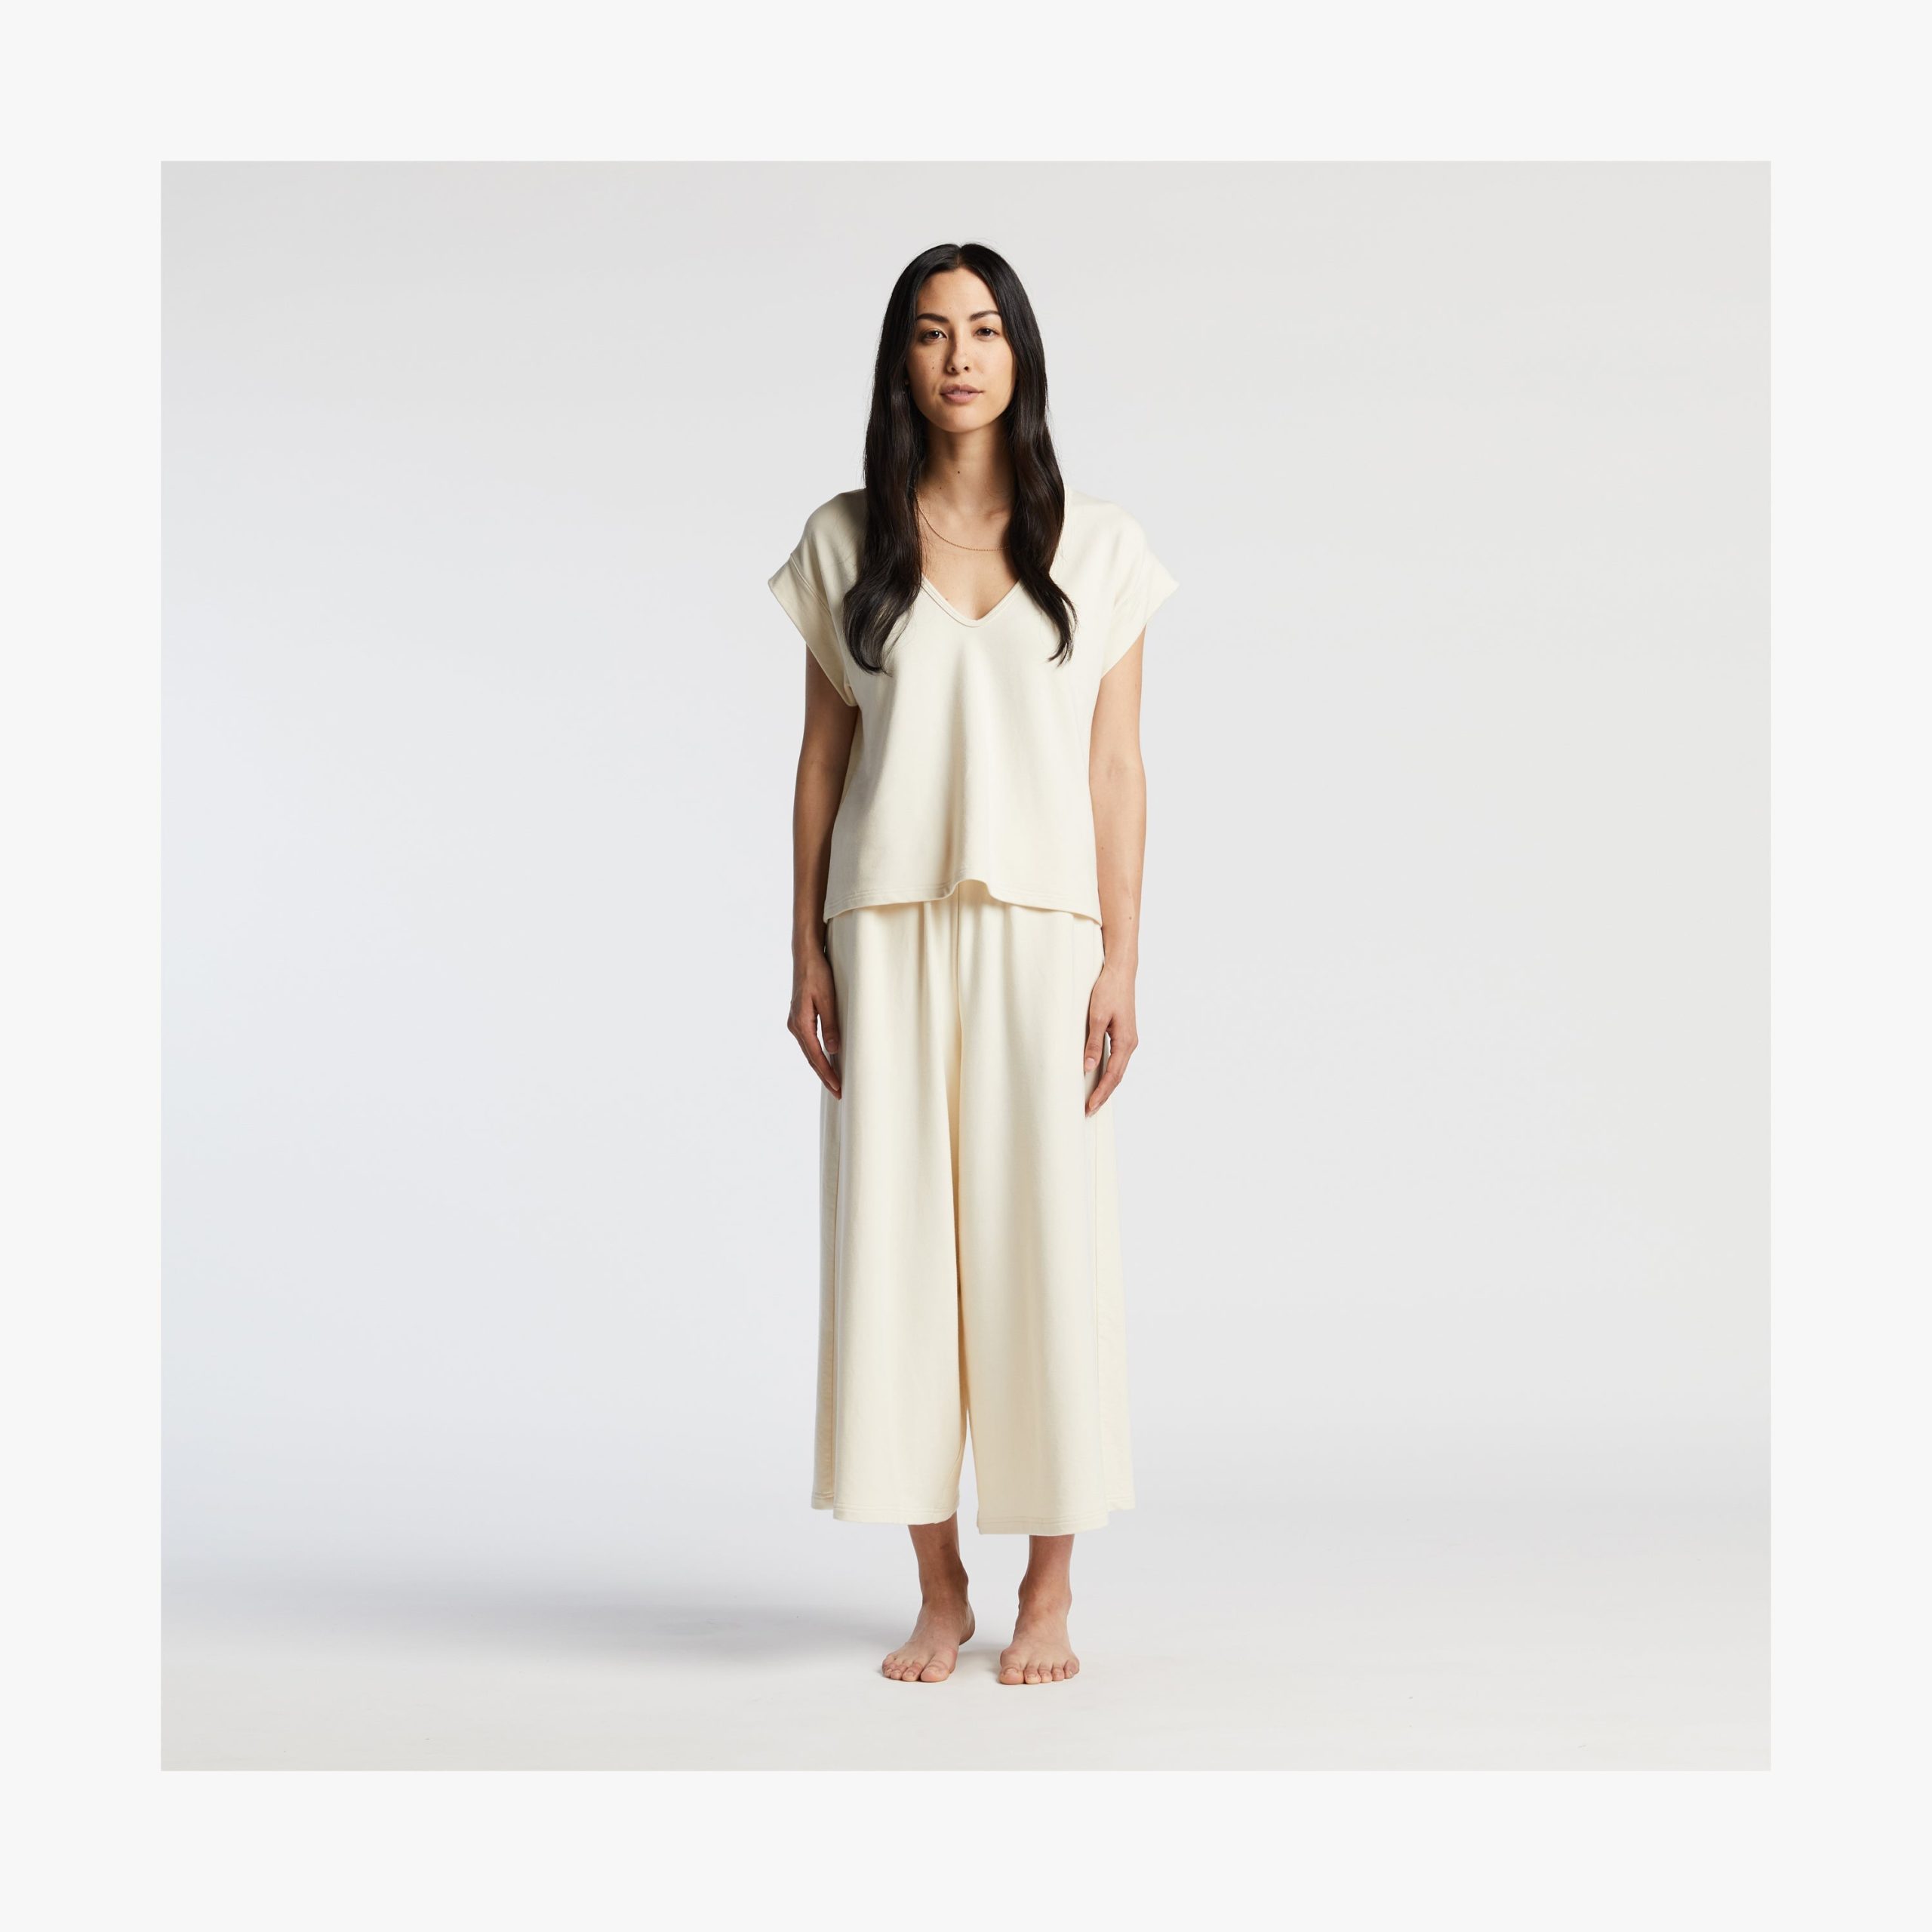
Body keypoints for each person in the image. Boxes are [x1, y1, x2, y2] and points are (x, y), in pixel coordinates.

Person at [769, 242, 1177, 1687]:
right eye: (934, 332)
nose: (961, 357)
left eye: (986, 330)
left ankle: (1049, 1590)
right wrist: (805, 945)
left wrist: (1123, 959)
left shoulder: (1098, 546)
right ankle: (938, 1585)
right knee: (896, 1253)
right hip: (884, 929)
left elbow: (1117, 771)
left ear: (1021, 355)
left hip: (1043, 938)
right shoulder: (846, 540)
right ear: (902, 359)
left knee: (1043, 1246)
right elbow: (822, 763)